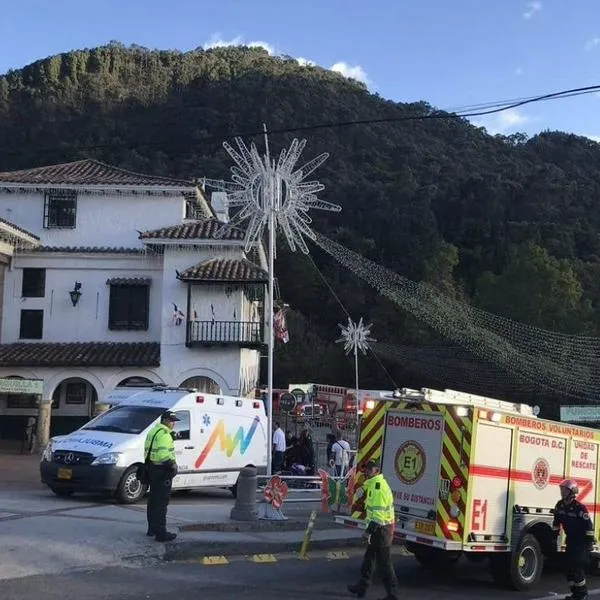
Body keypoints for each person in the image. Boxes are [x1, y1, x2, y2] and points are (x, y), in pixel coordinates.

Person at [348, 459, 399, 600]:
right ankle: (362, 587)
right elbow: (367, 489)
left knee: (384, 564)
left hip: (382, 530)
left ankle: (393, 595)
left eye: (370, 469)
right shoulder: (373, 484)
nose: (366, 471)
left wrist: (367, 532)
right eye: (366, 469)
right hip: (379, 529)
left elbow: (377, 516)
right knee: (368, 560)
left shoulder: (378, 487)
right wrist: (361, 489)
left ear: (377, 471)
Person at [552, 479, 596, 600]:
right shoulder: (559, 505)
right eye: (561, 490)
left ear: (572, 492)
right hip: (570, 540)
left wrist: (589, 542)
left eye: (564, 490)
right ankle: (575, 593)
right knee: (568, 569)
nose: (562, 492)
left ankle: (583, 594)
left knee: (576, 567)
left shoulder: (579, 508)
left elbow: (589, 526)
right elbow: (556, 523)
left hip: (581, 541)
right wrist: (553, 537)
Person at [145, 411, 180, 542]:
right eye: (171, 421)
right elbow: (163, 455)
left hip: (152, 469)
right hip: (162, 471)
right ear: (165, 421)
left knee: (153, 502)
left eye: (174, 421)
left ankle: (152, 529)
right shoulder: (165, 435)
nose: (173, 423)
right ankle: (161, 533)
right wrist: (172, 466)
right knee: (161, 504)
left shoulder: (153, 431)